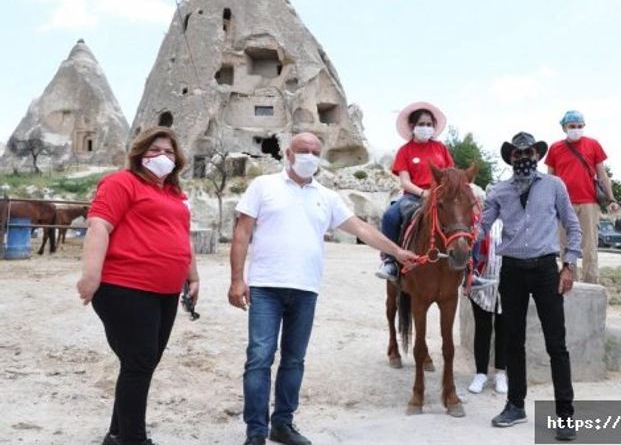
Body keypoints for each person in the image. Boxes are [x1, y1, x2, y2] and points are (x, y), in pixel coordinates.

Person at [229, 133, 419, 445]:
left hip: (306, 288)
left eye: (315, 152)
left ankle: (283, 424)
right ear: (289, 153)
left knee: (294, 360)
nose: (309, 156)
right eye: (303, 150)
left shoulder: (326, 196)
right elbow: (242, 232)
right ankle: (256, 431)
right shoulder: (263, 185)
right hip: (266, 286)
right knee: (260, 357)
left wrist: (397, 252)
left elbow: (360, 228)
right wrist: (237, 279)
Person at [76, 126, 200, 445]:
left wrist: (193, 275)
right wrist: (90, 275)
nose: (162, 156)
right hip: (125, 286)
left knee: (142, 363)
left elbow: (182, 237)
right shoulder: (122, 183)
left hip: (166, 292)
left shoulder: (175, 195)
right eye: (155, 150)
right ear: (139, 154)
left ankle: (117, 434)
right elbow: (99, 226)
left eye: (169, 152)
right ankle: (133, 439)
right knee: (140, 361)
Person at [480, 131, 582, 442]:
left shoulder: (554, 185)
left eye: (528, 153)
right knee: (513, 341)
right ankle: (515, 405)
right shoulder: (498, 190)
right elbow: (482, 225)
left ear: (537, 156)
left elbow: (572, 224)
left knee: (557, 344)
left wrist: (569, 265)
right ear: (510, 158)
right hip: (511, 269)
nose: (523, 158)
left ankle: (565, 414)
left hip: (545, 269)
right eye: (517, 154)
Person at [375, 101, 454, 281]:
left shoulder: (441, 148)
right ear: (412, 126)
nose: (425, 128)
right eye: (421, 124)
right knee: (389, 216)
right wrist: (423, 193)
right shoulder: (405, 151)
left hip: (441, 196)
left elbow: (450, 173)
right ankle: (389, 261)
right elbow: (405, 182)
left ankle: (470, 268)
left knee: (463, 218)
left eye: (429, 124)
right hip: (414, 196)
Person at [545, 109, 619, 284]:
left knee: (589, 247)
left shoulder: (593, 144)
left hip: (589, 202)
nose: (576, 129)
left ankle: (590, 283)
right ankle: (569, 281)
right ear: (564, 128)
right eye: (572, 126)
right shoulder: (555, 148)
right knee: (565, 247)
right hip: (563, 204)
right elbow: (550, 178)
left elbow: (602, 175)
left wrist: (612, 199)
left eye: (579, 126)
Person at [467, 219, 507, 395]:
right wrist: (468, 276)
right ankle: (481, 373)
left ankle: (501, 373)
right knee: (482, 329)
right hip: (481, 285)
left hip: (507, 284)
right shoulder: (479, 223)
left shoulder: (513, 219)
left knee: (504, 329)